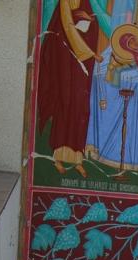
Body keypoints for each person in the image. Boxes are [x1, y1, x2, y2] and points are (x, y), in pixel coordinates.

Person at [35, 0, 103, 176]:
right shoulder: (64, 2)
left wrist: (90, 19)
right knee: (64, 103)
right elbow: (67, 26)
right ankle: (58, 157)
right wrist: (90, 53)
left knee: (80, 106)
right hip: (65, 60)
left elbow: (91, 23)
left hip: (81, 65)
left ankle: (77, 159)